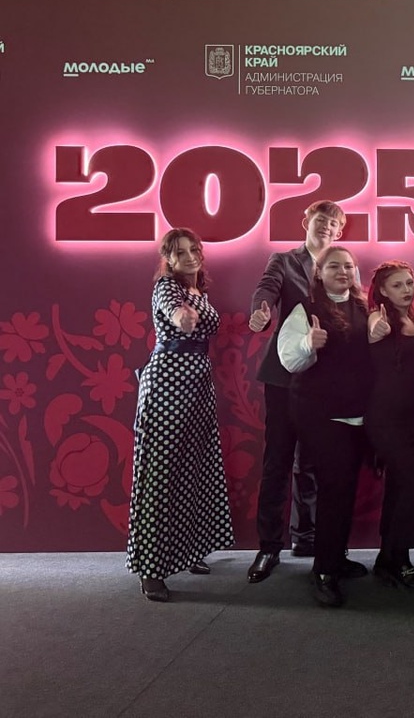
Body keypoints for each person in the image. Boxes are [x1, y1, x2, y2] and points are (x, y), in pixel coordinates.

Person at [126, 228, 233, 602]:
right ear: (168, 259)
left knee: (193, 468)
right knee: (160, 475)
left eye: (194, 250)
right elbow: (176, 313)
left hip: (197, 387)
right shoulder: (167, 288)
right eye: (180, 252)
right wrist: (180, 316)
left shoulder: (198, 290)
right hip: (167, 385)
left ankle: (187, 552)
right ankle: (151, 569)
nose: (189, 256)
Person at [245, 200, 345, 584]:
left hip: (325, 380)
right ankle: (269, 547)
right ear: (307, 221)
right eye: (321, 220)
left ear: (339, 231)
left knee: (317, 462)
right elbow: (266, 289)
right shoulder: (284, 261)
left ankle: (307, 539)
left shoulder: (341, 265)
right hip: (285, 377)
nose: (326, 227)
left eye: (333, 223)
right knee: (278, 461)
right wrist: (261, 312)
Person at [278, 245, 372, 608]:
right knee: (334, 489)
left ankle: (335, 557)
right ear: (319, 273)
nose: (343, 271)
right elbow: (289, 360)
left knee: (345, 489)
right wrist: (308, 343)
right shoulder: (306, 308)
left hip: (357, 414)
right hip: (319, 414)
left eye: (348, 266)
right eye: (334, 266)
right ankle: (324, 572)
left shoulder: (363, 307)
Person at [364, 260, 414, 595]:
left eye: (408, 283)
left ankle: (386, 558)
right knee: (412, 483)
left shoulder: (412, 319)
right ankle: (400, 560)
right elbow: (372, 330)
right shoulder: (378, 318)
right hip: (385, 417)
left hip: (413, 417)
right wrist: (376, 327)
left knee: (398, 487)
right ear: (382, 291)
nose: (406, 290)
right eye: (397, 285)